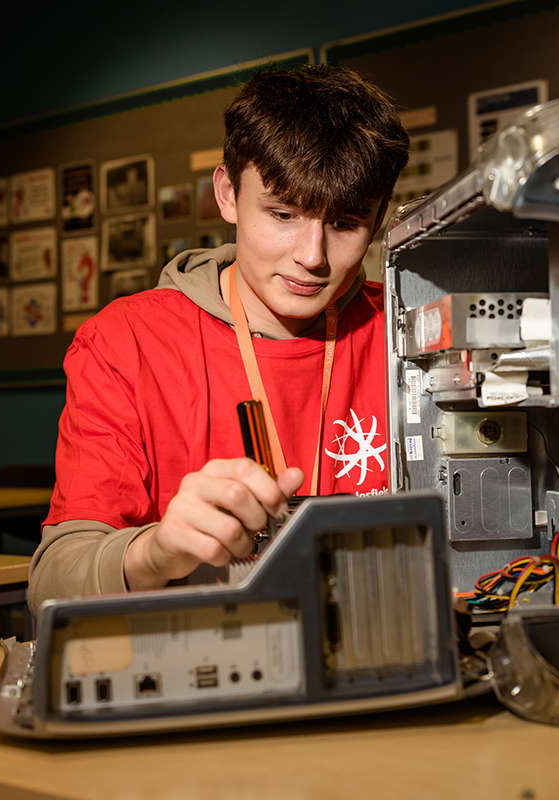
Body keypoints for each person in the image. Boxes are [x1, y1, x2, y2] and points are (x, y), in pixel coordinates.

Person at [27, 66, 410, 610]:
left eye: (346, 223)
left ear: (379, 218)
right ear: (227, 194)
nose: (312, 256)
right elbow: (50, 585)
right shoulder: (124, 343)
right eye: (282, 214)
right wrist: (153, 552)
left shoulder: (409, 333)